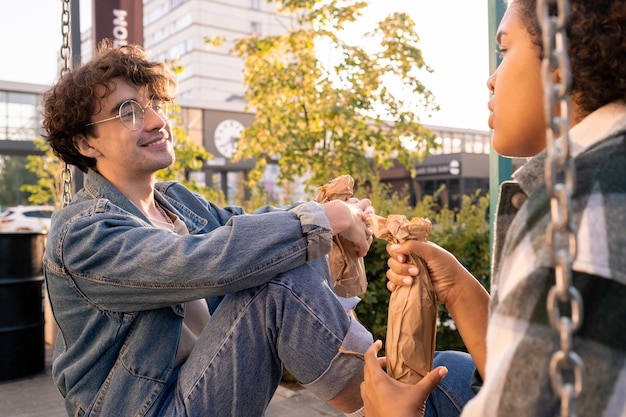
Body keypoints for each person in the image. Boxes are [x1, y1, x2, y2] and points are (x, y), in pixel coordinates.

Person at [41, 41, 376, 417]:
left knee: (279, 246)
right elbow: (205, 260)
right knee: (277, 280)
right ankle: (385, 399)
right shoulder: (82, 234)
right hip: (147, 409)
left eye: (153, 103)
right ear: (85, 142)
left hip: (202, 386)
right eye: (127, 112)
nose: (156, 121)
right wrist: (324, 219)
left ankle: (384, 389)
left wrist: (342, 212)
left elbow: (250, 226)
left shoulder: (175, 201)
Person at [361, 0, 626, 416]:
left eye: (504, 51)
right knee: (448, 366)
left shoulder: (576, 211)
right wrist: (458, 290)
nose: (491, 80)